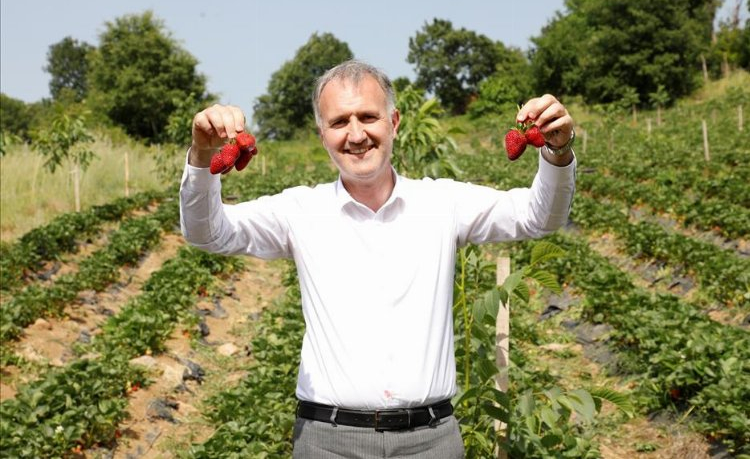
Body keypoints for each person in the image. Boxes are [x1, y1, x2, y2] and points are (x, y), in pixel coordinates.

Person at [179, 60, 576, 458]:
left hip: (431, 442)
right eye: (339, 122)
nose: (356, 135)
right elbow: (207, 233)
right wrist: (201, 155)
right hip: (329, 442)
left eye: (368, 117)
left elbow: (538, 217)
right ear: (321, 134)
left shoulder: (442, 203)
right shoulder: (299, 211)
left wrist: (558, 150)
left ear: (394, 122)